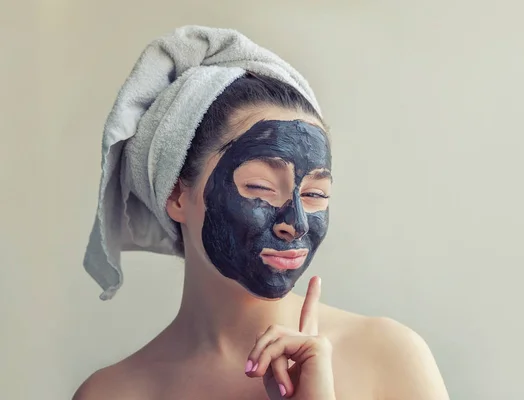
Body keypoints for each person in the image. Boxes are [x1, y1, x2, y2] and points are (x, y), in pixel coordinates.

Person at [75, 28, 449, 400]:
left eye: (316, 194)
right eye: (260, 188)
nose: (296, 224)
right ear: (176, 193)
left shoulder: (387, 355)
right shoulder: (112, 392)